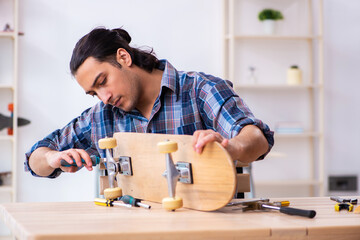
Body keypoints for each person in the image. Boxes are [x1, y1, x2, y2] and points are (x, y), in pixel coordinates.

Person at [25, 27, 274, 178]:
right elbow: (34, 159)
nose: (104, 97)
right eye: (94, 93)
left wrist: (231, 148)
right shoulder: (100, 117)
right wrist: (50, 159)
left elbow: (257, 138)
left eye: (103, 81)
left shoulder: (200, 89)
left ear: (123, 57)